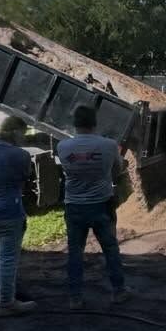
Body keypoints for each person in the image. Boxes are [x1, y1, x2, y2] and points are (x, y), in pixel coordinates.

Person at [56, 105, 126, 308]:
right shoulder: (109, 145)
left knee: (75, 252)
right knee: (110, 249)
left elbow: (67, 170)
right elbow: (118, 170)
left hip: (74, 206)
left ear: (74, 124)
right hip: (101, 204)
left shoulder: (63, 147)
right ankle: (118, 291)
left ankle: (75, 297)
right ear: (95, 122)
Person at [0, 116, 36, 315]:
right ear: (16, 132)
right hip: (9, 214)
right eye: (23, 133)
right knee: (8, 259)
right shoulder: (20, 155)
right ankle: (6, 304)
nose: (24, 138)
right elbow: (24, 178)